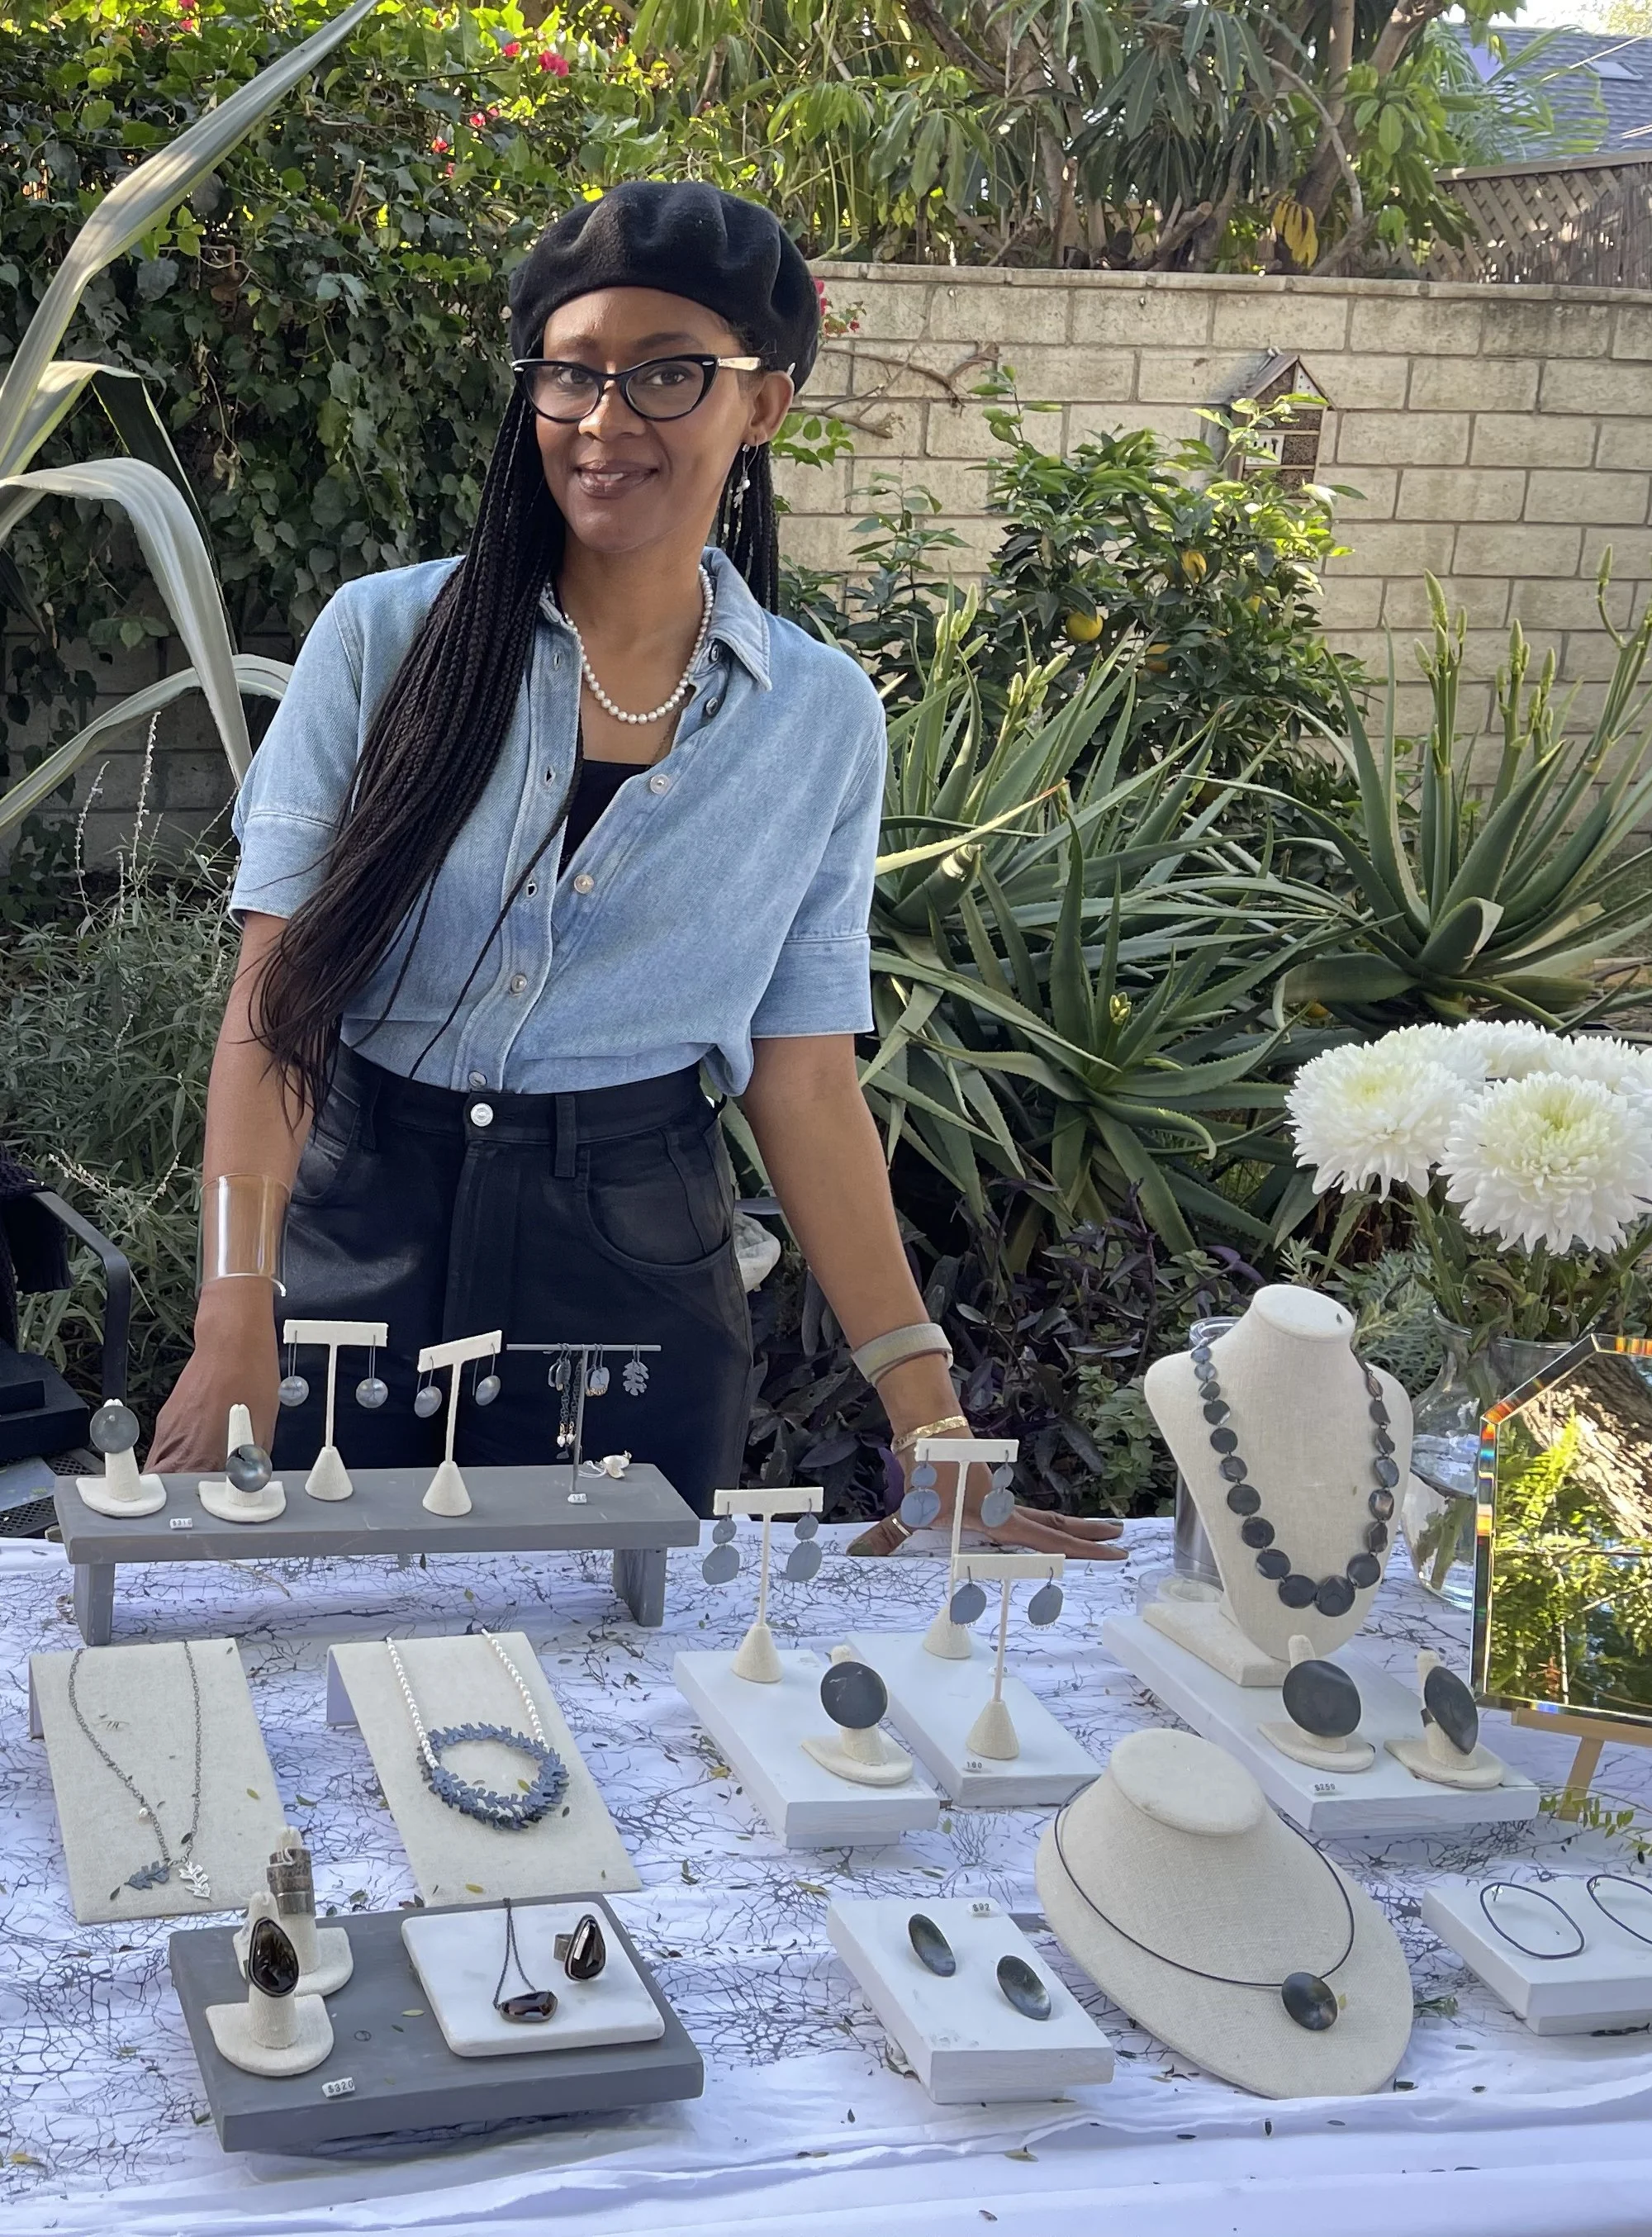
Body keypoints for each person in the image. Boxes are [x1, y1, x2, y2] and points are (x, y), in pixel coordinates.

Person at [146, 179, 1123, 1561]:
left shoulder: (818, 717)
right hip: (355, 1238)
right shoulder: (384, 641)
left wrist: (932, 1424)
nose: (605, 422)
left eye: (668, 374)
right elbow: (276, 1000)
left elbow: (803, 1077)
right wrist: (236, 1307)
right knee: (306, 1657)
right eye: (572, 372)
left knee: (610, 1680)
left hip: (631, 1263)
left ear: (762, 406)